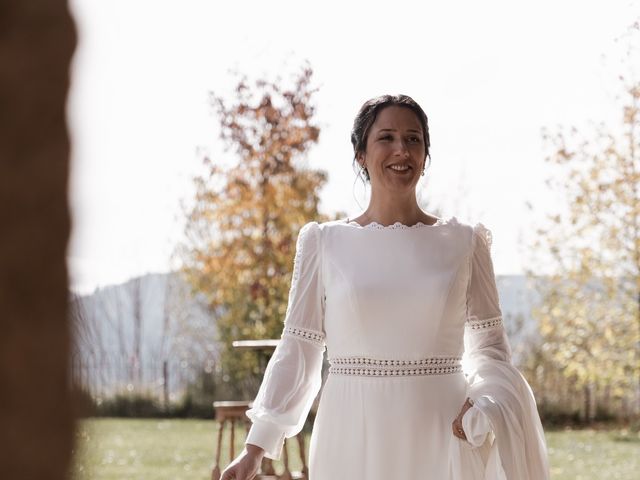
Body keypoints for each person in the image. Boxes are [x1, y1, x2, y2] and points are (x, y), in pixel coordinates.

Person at [219, 94, 550, 479]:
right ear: (361, 153)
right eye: (386, 137)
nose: (401, 150)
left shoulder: (465, 242)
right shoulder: (323, 242)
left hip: (442, 429)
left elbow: (490, 347)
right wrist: (255, 449)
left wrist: (485, 400)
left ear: (426, 156)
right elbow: (299, 347)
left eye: (413, 139)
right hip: (351, 430)